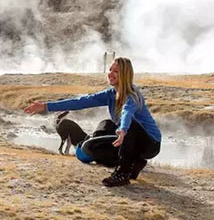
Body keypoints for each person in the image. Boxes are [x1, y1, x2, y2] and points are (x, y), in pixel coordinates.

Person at [24, 57, 161, 187]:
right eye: (110, 70)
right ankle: (136, 162)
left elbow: (127, 112)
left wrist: (123, 129)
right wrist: (46, 106)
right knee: (104, 129)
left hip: (149, 144)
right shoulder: (110, 94)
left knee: (126, 126)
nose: (110, 74)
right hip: (127, 139)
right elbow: (81, 102)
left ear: (124, 75)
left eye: (116, 71)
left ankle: (122, 174)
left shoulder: (132, 95)